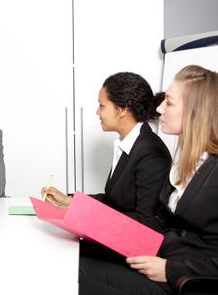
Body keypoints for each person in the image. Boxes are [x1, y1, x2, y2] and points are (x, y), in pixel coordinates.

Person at [79, 65, 218, 294]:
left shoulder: (209, 171)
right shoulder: (188, 163)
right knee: (75, 261)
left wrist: (171, 269)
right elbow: (161, 222)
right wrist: (83, 216)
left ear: (196, 111)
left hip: (182, 280)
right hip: (158, 257)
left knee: (78, 273)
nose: (160, 108)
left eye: (169, 103)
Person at [42, 72, 171, 227]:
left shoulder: (151, 153)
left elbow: (146, 222)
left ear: (122, 109)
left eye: (102, 106)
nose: (97, 112)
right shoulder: (128, 144)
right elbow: (112, 202)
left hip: (129, 246)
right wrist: (69, 201)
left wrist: (82, 216)